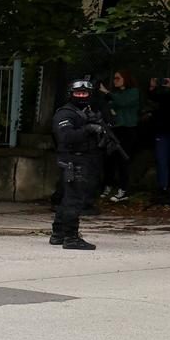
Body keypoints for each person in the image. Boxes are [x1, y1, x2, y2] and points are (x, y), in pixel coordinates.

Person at [51, 79, 102, 251]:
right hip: (72, 159)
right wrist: (87, 130)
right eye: (77, 93)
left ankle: (58, 234)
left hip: (80, 158)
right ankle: (71, 237)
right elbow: (64, 136)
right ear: (70, 94)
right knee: (74, 198)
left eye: (84, 93)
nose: (81, 96)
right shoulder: (65, 113)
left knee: (68, 196)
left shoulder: (85, 112)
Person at [97, 71, 140, 201]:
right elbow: (109, 107)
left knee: (123, 159)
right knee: (109, 158)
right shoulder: (115, 94)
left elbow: (122, 102)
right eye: (114, 78)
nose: (115, 80)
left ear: (125, 79)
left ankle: (123, 189)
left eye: (118, 78)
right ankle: (107, 186)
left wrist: (107, 93)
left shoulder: (133, 92)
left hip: (127, 129)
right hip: (113, 129)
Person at [149, 76, 170, 205]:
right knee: (161, 160)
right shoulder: (167, 95)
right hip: (162, 132)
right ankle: (164, 188)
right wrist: (153, 87)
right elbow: (155, 98)